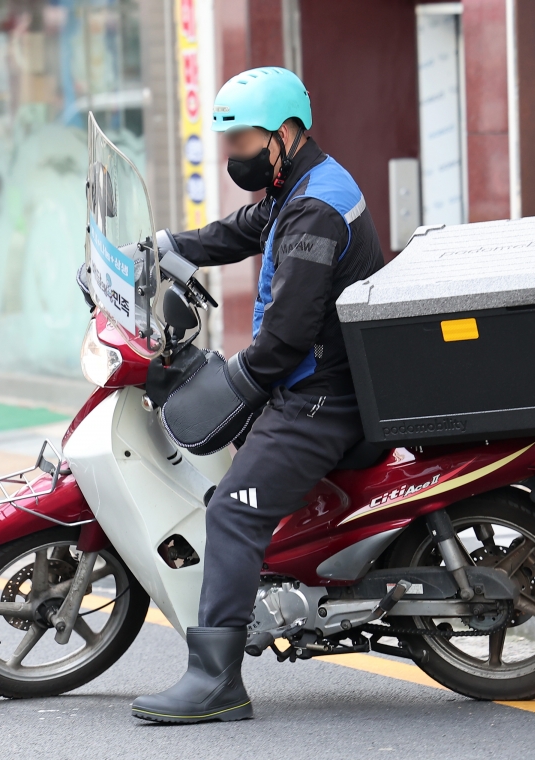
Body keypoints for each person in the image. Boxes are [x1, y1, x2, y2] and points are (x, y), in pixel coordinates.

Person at [131, 67, 387, 724]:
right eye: (228, 140)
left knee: (233, 513)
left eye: (242, 139)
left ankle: (216, 682)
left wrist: (236, 386)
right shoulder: (297, 187)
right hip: (320, 385)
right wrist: (165, 249)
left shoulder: (315, 210)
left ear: (284, 133)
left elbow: (287, 336)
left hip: (321, 400)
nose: (232, 154)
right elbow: (244, 229)